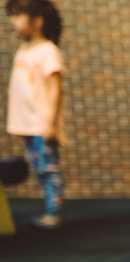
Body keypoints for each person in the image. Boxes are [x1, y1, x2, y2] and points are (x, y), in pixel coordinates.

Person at [5, 0, 64, 229]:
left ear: (37, 21)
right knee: (39, 167)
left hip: (41, 123)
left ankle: (53, 212)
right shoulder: (24, 49)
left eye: (18, 15)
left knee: (49, 168)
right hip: (27, 124)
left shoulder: (47, 51)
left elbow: (56, 88)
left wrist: (50, 123)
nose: (13, 21)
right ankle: (49, 208)